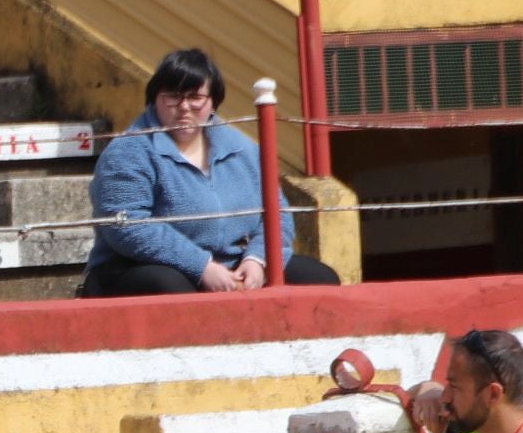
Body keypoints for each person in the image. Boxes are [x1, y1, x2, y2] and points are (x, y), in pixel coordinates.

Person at [82, 48, 340, 298]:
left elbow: (277, 212)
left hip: (232, 263)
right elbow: (127, 226)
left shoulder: (244, 149)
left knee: (319, 279)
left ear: (213, 100)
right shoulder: (128, 152)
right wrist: (201, 266)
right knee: (169, 287)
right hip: (139, 267)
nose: (184, 107)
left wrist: (257, 260)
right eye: (173, 96)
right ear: (155, 98)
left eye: (195, 97)